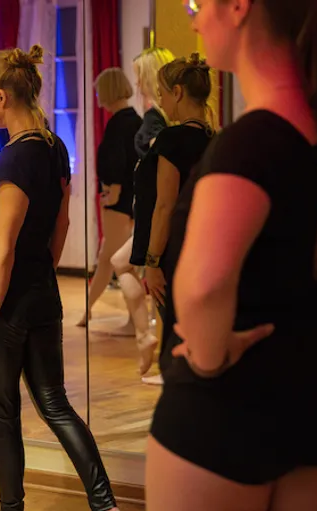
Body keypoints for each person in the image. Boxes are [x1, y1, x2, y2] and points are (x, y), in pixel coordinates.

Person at [146, 1, 317, 510]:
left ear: (237, 6)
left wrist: (208, 361)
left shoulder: (251, 143)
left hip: (236, 403)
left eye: (196, 3)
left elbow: (202, 286)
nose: (192, 17)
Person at [0, 44, 118, 511]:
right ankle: (104, 502)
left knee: (3, 417)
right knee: (55, 405)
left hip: (3, 306)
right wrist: (40, 277)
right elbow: (62, 226)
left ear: (4, 96)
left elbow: (4, 249)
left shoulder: (14, 163)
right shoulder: (54, 148)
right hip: (40, 297)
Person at [128, 54, 214, 376]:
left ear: (178, 92)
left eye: (163, 93)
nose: (161, 100)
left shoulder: (172, 139)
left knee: (180, 345)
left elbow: (165, 205)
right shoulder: (212, 139)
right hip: (202, 251)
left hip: (173, 254)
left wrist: (152, 263)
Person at [108, 47, 175, 366]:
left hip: (157, 212)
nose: (136, 84)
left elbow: (160, 161)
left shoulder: (154, 120)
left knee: (125, 264)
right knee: (121, 262)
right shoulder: (162, 117)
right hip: (154, 209)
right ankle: (146, 336)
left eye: (138, 76)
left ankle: (149, 339)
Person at [78, 67, 147, 337]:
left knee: (115, 260)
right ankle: (88, 310)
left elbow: (117, 163)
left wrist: (113, 192)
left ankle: (136, 323)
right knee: (109, 258)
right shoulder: (134, 120)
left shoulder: (119, 123)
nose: (96, 96)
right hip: (128, 199)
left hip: (118, 200)